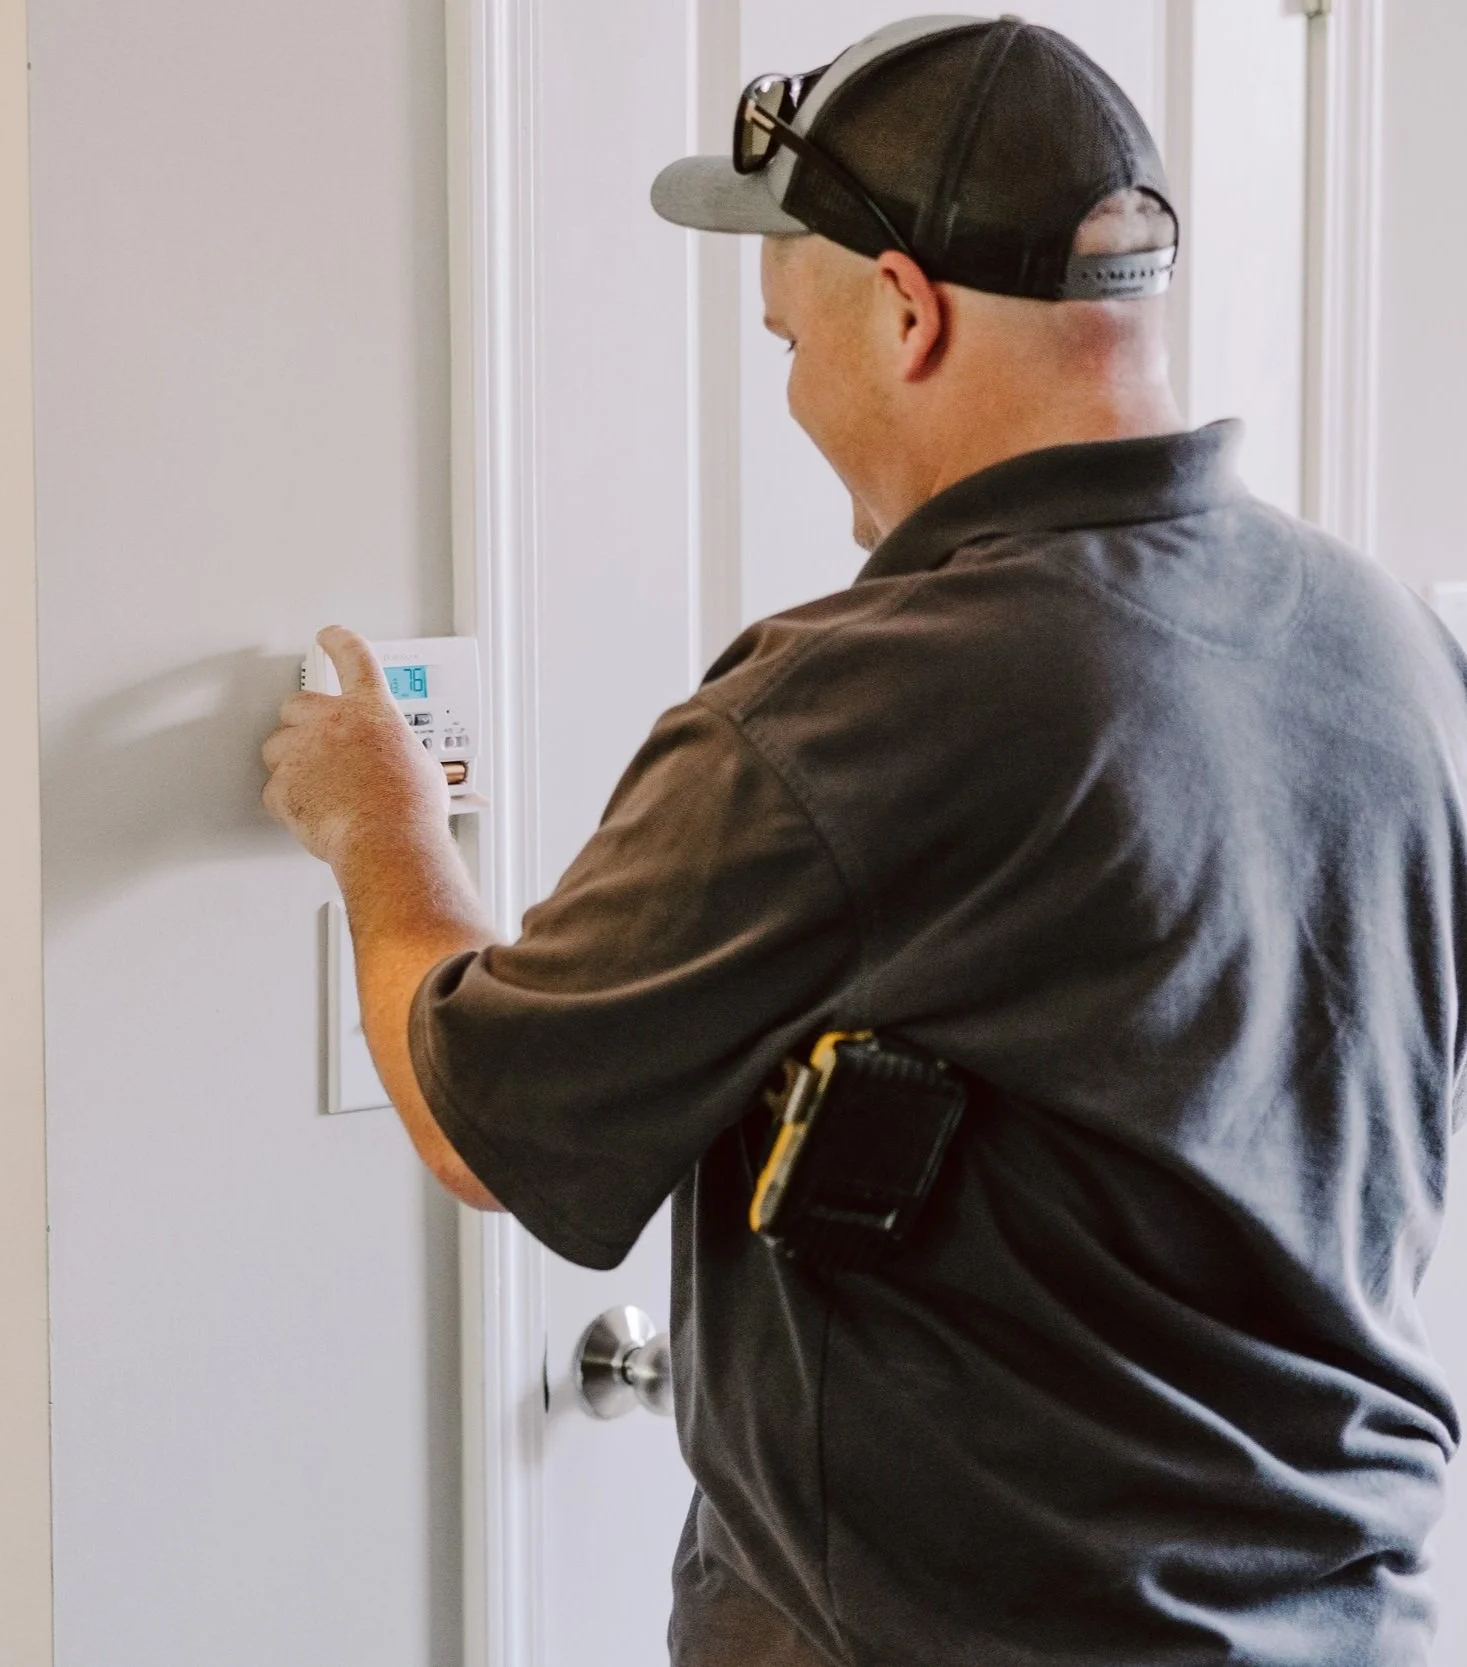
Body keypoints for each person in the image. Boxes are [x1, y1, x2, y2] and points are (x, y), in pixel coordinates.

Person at [263, 15, 1467, 1666]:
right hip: (1353, 1618)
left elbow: (487, 1120)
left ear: (906, 311)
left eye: (786, 345)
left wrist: (381, 829)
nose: (792, 395)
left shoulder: (865, 701)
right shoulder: (1384, 640)